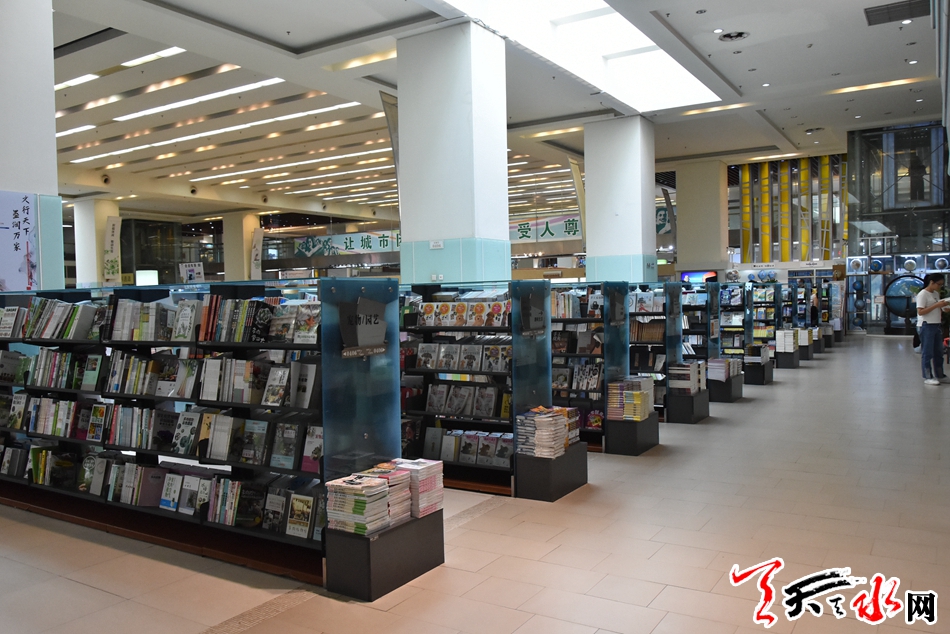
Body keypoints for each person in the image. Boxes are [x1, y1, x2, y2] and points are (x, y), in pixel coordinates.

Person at [916, 273, 948, 385]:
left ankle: (940, 375)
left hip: (936, 325)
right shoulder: (922, 294)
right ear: (931, 282)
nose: (939, 287)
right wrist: (936, 305)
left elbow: (938, 308)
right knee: (927, 352)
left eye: (941, 285)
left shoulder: (935, 294)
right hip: (926, 325)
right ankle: (928, 376)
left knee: (938, 352)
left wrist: (944, 307)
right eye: (938, 284)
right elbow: (920, 311)